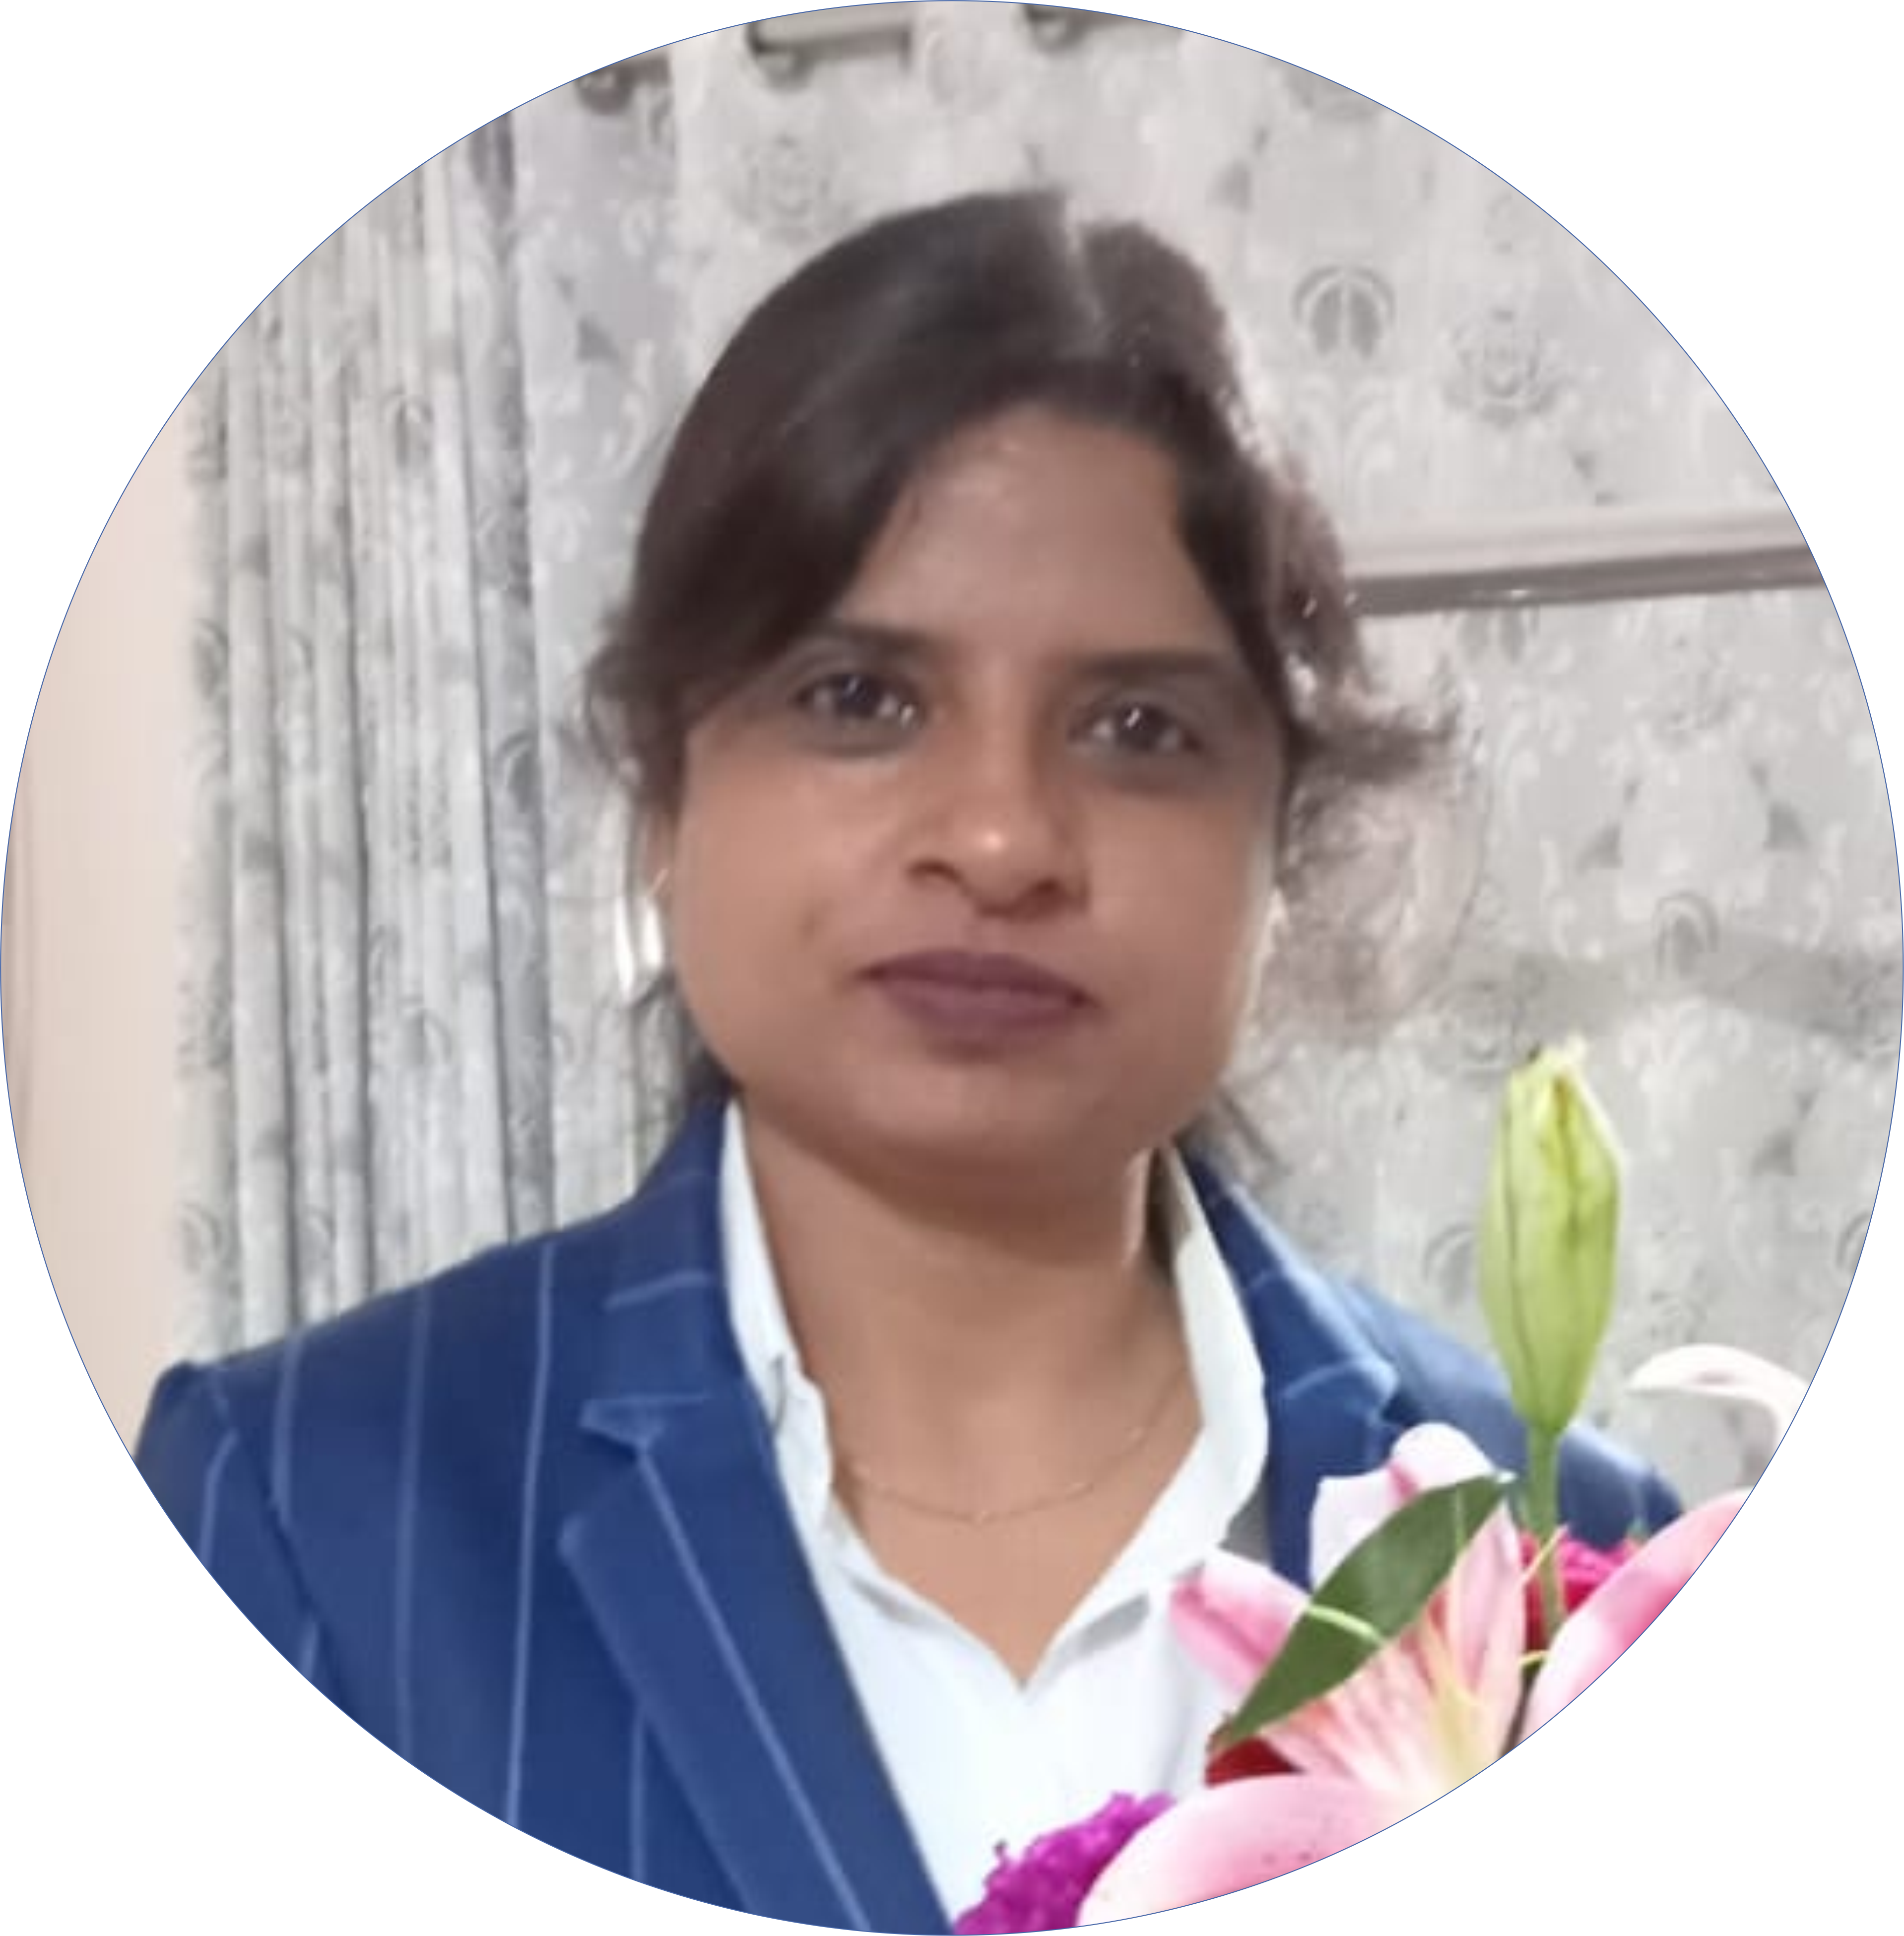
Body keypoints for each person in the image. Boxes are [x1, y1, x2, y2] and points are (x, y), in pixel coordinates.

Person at [135, 192, 1676, 1934]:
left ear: (1282, 837)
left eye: (1138, 727)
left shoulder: (1565, 1567)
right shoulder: (305, 1511)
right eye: (859, 700)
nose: (1001, 836)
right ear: (666, 797)